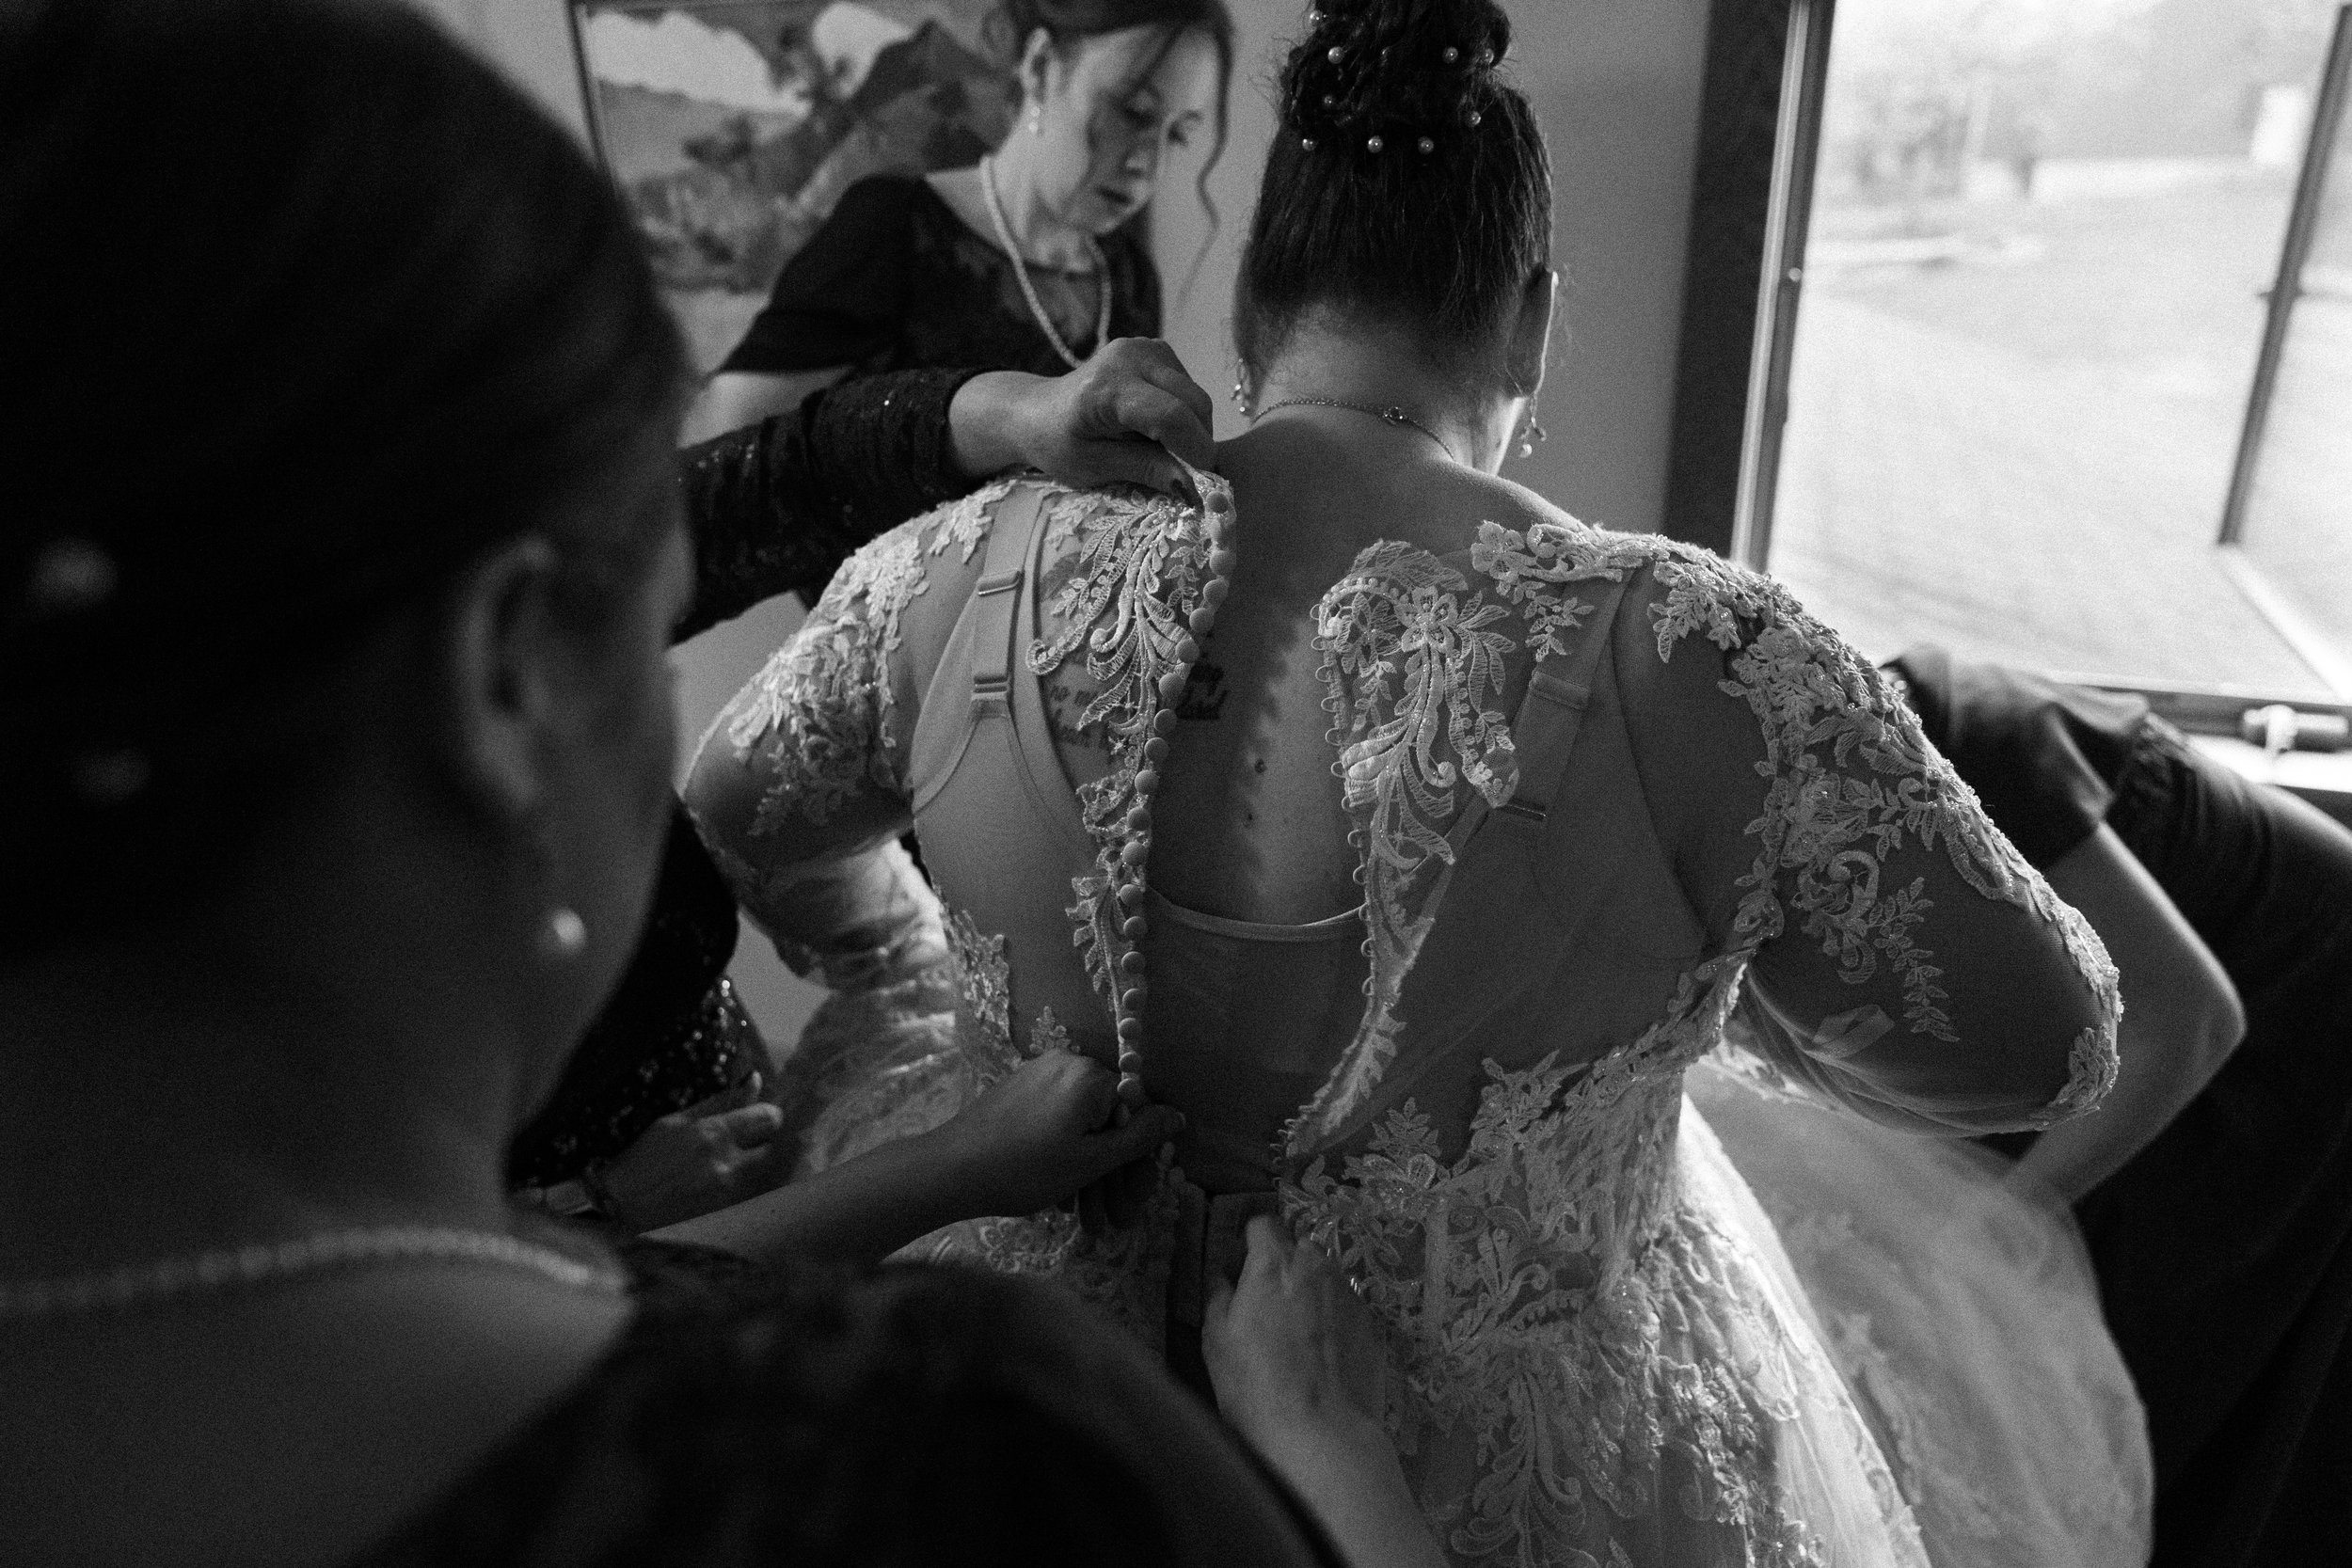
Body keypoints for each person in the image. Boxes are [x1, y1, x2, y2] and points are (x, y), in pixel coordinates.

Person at [685, 3, 2148, 1563]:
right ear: (1531, 318)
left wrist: (896, 961)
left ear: (1253, 302)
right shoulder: (1702, 654)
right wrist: (1718, 992)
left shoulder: (947, 568)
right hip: (1494, 1481)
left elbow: (738, 811)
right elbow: (2051, 1049)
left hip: (1034, 1436)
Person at [0, 4, 1445, 1564]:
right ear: (503, 679)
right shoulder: (969, 1462)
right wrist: (1345, 1488)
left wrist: (1007, 415)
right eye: (652, 621)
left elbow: (772, 483)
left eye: (1176, 138)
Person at [509, 346, 1228, 1233]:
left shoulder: (552, 569)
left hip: (761, 1135)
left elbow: (798, 471)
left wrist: (1027, 410)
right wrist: (591, 1208)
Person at [1877, 648, 2352, 1568]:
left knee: (2221, 1402)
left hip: (2308, 1017)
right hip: (2197, 1026)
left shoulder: (1960, 753)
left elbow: (2189, 1023)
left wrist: (1981, 1230)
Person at [681, 0, 1234, 445]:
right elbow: (730, 441)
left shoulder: (1130, 282)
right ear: (1041, 66)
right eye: (1133, 112)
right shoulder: (893, 226)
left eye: (1178, 133)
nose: (1148, 164)